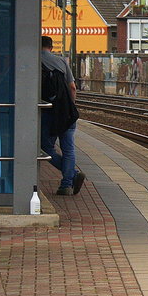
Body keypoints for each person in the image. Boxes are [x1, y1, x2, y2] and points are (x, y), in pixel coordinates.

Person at [40, 35, 85, 196]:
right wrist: (71, 106)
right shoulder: (61, 61)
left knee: (45, 148)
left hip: (47, 112)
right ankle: (67, 183)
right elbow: (72, 87)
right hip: (66, 111)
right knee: (68, 149)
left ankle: (72, 175)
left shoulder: (34, 61)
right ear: (51, 47)